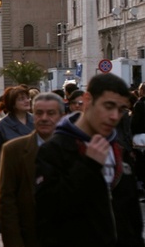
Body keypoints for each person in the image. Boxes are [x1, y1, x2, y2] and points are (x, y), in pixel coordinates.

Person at [36, 74, 145, 246]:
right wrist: (88, 165)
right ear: (87, 100)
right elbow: (49, 210)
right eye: (108, 106)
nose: (114, 116)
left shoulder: (118, 151)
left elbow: (132, 215)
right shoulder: (54, 150)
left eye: (121, 109)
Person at [0, 92, 64, 247]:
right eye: (39, 113)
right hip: (29, 237)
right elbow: (7, 203)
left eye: (51, 113)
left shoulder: (75, 149)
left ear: (62, 116)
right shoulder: (13, 150)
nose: (44, 118)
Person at [0, 86, 34, 187]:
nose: (27, 101)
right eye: (21, 99)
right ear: (12, 103)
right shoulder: (1, 126)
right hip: (12, 177)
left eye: (27, 98)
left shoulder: (36, 121)